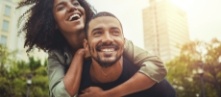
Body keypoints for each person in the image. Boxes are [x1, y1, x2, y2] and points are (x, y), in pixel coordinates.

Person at [17, 0, 167, 97]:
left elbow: (156, 67)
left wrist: (108, 94)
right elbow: (59, 94)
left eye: (75, 3)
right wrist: (80, 55)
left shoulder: (108, 40)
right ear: (53, 22)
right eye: (61, 7)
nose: (71, 8)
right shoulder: (56, 56)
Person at [78, 11, 176, 97]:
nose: (107, 39)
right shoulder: (78, 81)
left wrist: (107, 95)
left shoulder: (156, 88)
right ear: (86, 45)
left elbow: (158, 67)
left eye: (115, 32)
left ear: (124, 42)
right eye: (98, 33)